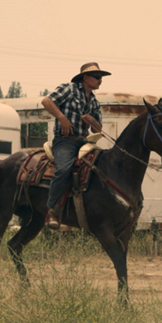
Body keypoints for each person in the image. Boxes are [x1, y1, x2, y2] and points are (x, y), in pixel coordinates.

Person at [41, 62, 110, 227]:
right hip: (65, 141)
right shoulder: (69, 88)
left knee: (101, 167)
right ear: (86, 78)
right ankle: (52, 210)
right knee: (64, 169)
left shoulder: (94, 101)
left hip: (84, 141)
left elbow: (98, 128)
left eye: (101, 78)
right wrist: (62, 118)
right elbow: (46, 101)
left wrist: (92, 120)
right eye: (97, 77)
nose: (100, 80)